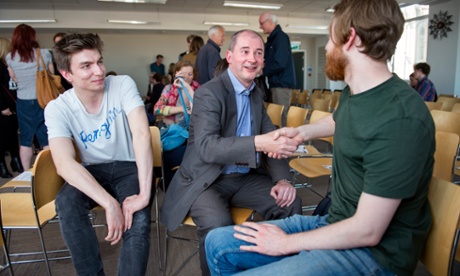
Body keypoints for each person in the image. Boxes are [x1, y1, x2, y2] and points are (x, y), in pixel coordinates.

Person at [205, 1, 435, 275]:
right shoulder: (357, 91)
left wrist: (285, 243)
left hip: (375, 254)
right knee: (217, 243)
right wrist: (300, 133)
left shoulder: (400, 118)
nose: (326, 47)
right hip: (336, 222)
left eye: (330, 37)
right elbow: (339, 120)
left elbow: (368, 231)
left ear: (350, 38)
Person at [161, 29, 302, 276]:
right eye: (245, 51)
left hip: (243, 177)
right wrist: (258, 143)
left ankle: (276, 270)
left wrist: (282, 180)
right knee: (219, 228)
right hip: (206, 180)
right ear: (229, 56)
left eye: (258, 53)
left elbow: (273, 140)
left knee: (290, 203)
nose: (252, 58)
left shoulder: (256, 93)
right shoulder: (209, 93)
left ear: (263, 62)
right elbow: (207, 147)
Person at [45, 33, 153, 275]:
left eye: (99, 61)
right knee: (66, 201)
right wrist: (109, 203)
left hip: (128, 166)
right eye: (86, 66)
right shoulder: (57, 108)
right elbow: (64, 164)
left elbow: (142, 135)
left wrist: (144, 195)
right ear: (67, 74)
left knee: (137, 218)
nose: (99, 71)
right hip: (93, 170)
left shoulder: (122, 84)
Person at [6, 24, 52, 170]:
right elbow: (51, 74)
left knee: (25, 138)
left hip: (23, 101)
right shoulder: (43, 53)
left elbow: (14, 79)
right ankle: (49, 171)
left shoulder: (10, 57)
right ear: (33, 37)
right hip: (43, 99)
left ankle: (26, 172)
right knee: (46, 135)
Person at [154, 60, 199, 188]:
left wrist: (189, 90)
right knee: (168, 160)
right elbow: (157, 109)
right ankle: (172, 192)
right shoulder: (168, 89)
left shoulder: (198, 89)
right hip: (174, 135)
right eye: (183, 74)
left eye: (190, 74)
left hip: (192, 136)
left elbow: (201, 111)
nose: (187, 77)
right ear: (176, 74)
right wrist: (181, 109)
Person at [259, 12, 295, 126]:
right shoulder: (271, 40)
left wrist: (262, 71)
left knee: (281, 118)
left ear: (270, 22)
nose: (260, 27)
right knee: (274, 118)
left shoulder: (281, 38)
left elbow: (280, 63)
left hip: (281, 85)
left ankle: (284, 142)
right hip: (274, 84)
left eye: (261, 23)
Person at [0, 37, 23, 178]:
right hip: (3, 108)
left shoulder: (7, 64)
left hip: (13, 105)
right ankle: (1, 164)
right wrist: (2, 107)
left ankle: (16, 161)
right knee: (2, 137)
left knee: (13, 136)